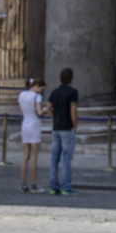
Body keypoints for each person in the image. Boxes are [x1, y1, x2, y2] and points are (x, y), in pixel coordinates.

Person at [48, 68, 79, 197]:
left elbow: (48, 108)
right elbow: (73, 109)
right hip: (67, 128)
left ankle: (54, 186)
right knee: (66, 158)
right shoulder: (73, 92)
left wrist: (54, 117)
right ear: (71, 78)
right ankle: (66, 187)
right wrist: (75, 124)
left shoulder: (54, 92)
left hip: (56, 127)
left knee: (54, 158)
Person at [18, 78, 45, 192]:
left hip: (25, 124)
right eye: (41, 88)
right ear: (37, 86)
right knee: (34, 156)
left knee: (25, 156)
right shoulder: (37, 96)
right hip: (34, 125)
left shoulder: (22, 94)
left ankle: (23, 183)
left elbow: (21, 112)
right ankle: (33, 184)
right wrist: (47, 110)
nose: (41, 91)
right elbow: (39, 112)